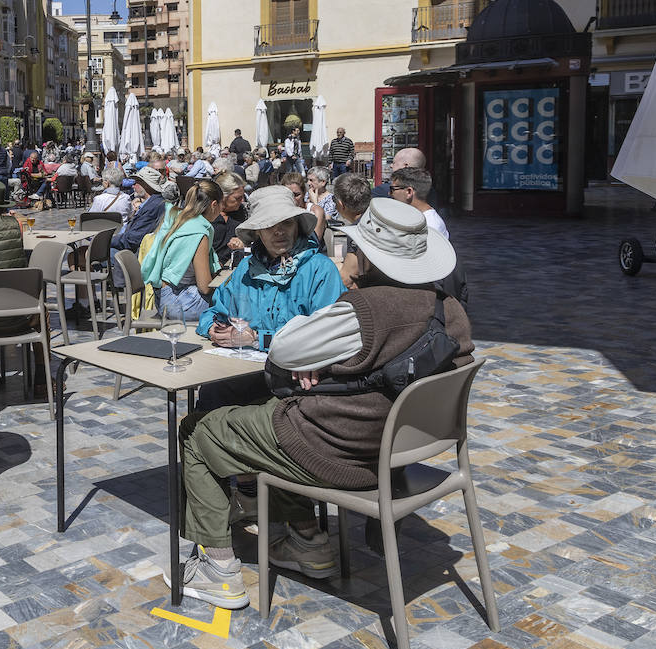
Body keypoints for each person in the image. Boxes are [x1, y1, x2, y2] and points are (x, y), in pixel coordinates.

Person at [171, 197, 470, 609]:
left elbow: (288, 348)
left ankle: (219, 571)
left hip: (339, 449)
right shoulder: (450, 309)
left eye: (355, 249)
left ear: (365, 257)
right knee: (257, 414)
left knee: (199, 431)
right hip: (395, 449)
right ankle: (305, 540)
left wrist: (342, 297)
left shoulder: (362, 310)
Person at [197, 185, 343, 410]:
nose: (279, 231)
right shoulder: (245, 269)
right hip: (245, 371)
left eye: (286, 223)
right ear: (257, 232)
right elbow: (213, 313)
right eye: (269, 226)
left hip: (295, 381)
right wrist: (214, 330)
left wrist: (256, 338)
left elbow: (327, 335)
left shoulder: (320, 270)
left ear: (297, 226)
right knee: (208, 397)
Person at [141, 179, 224, 320]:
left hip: (162, 296)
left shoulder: (180, 218)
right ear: (214, 205)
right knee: (234, 303)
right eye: (222, 204)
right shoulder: (199, 232)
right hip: (179, 301)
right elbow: (205, 287)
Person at [111, 167, 168, 256]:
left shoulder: (153, 207)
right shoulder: (154, 202)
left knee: (93, 252)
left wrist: (108, 240)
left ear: (145, 185)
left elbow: (132, 240)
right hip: (136, 247)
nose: (133, 186)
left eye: (136, 183)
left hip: (137, 253)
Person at [390, 167, 448, 238]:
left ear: (409, 192)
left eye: (392, 189)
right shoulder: (416, 218)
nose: (389, 193)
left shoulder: (430, 226)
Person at [209, 171, 248, 266]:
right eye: (237, 198)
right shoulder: (208, 217)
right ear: (223, 197)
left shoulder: (241, 212)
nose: (242, 200)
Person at [281, 171, 326, 242]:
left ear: (304, 193)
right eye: (288, 195)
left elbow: (314, 242)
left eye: (296, 195)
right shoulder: (279, 212)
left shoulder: (315, 211)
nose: (293, 199)